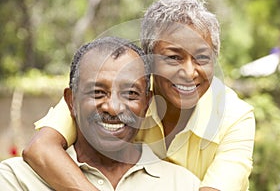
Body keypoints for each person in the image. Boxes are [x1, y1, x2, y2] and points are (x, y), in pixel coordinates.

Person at [22, 0, 255, 191]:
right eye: (174, 57)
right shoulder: (113, 96)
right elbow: (40, 149)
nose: (189, 72)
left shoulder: (234, 117)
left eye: (202, 58)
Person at [0, 37, 201, 190]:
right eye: (97, 92)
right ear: (71, 100)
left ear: (147, 103)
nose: (113, 108)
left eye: (130, 94)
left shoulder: (182, 184)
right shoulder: (16, 179)